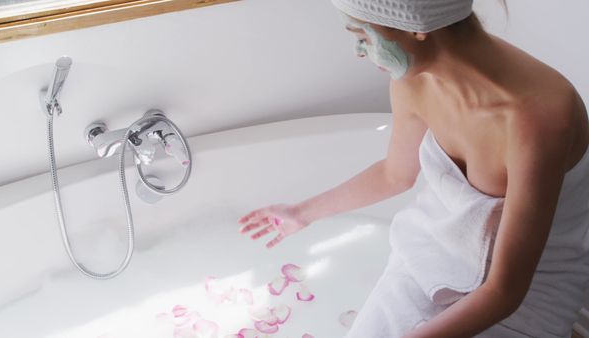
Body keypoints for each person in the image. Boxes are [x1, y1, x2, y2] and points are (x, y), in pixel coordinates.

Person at [238, 0, 589, 336]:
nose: (359, 52)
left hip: (524, 291)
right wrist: (302, 213)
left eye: (362, 37)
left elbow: (505, 291)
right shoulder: (412, 82)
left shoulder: (538, 118)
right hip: (434, 255)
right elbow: (395, 174)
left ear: (416, 29)